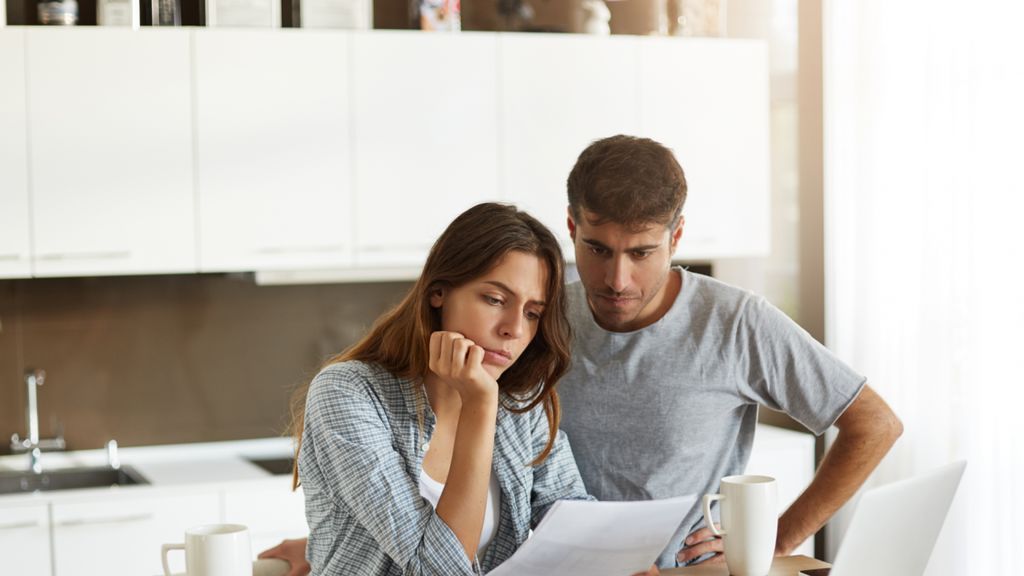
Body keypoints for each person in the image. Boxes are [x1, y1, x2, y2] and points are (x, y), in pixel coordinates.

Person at [262, 136, 903, 572]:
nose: (617, 279)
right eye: (598, 249)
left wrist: (765, 542)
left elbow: (570, 513)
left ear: (676, 237)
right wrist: (338, 533)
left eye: (642, 252)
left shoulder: (523, 391)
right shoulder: (385, 391)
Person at [283, 202, 656, 576]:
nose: (515, 329)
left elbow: (567, 515)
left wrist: (624, 556)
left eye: (532, 313)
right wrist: (479, 406)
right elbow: (435, 568)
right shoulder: (348, 394)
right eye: (495, 300)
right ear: (439, 292)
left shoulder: (520, 400)